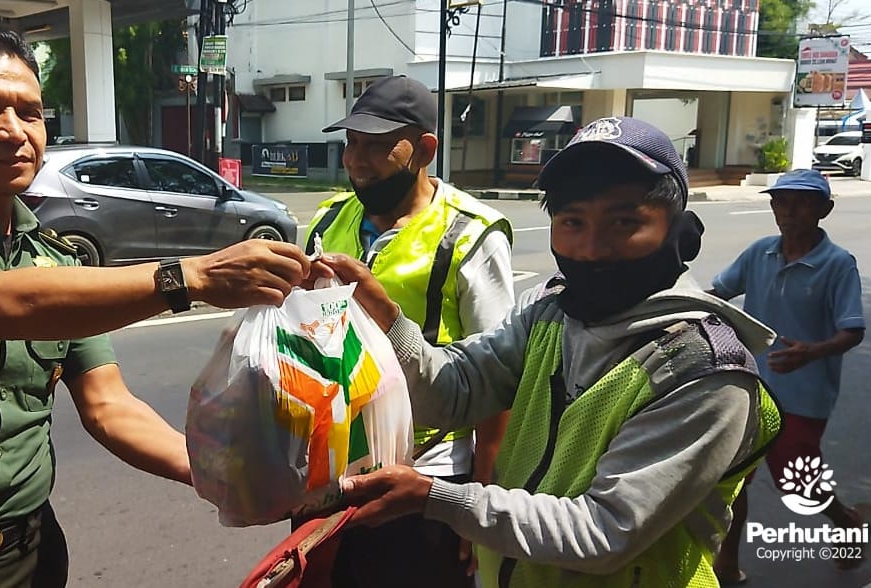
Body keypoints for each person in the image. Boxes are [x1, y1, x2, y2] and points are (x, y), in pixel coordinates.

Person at [0, 29, 313, 587]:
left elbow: (110, 408)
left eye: (30, 113)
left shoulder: (56, 260)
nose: (13, 131)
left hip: (26, 556)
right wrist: (191, 276)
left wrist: (233, 478)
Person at [320, 116, 783, 587]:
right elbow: (453, 391)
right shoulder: (549, 312)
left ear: (681, 233)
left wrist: (435, 498)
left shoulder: (703, 369)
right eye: (572, 222)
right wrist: (385, 317)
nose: (592, 248)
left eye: (625, 222)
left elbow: (604, 533)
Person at [302, 75, 514, 586]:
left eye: (375, 146)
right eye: (351, 143)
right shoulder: (330, 218)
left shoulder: (470, 233)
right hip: (330, 467)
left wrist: (479, 506)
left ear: (424, 149)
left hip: (424, 473)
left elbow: (500, 381)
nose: (355, 160)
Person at [709, 169, 871, 583]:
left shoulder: (838, 264)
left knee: (795, 481)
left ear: (825, 209)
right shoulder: (759, 252)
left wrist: (811, 353)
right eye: (781, 201)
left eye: (801, 202)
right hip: (749, 386)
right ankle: (727, 564)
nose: (788, 210)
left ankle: (846, 519)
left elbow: (852, 329)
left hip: (804, 393)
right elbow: (719, 294)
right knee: (731, 480)